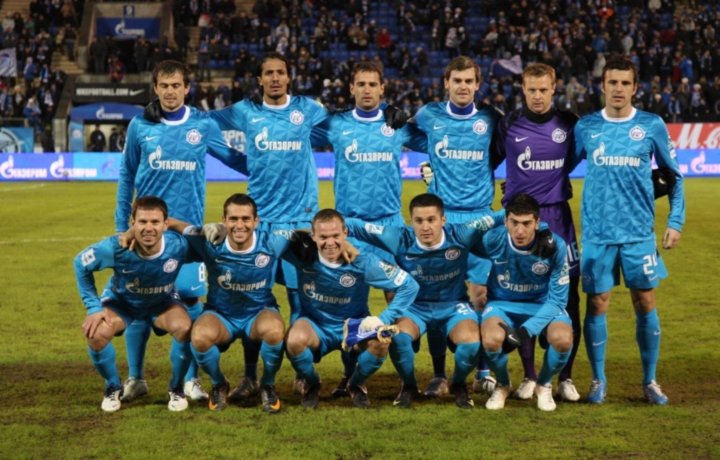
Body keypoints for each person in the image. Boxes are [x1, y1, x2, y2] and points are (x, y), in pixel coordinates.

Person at [115, 60, 247, 405]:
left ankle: (190, 380)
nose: (170, 92)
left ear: (187, 88)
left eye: (176, 85)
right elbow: (126, 176)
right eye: (164, 86)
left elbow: (233, 158)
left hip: (188, 236)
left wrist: (271, 166)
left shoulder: (202, 124)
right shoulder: (140, 125)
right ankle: (136, 378)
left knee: (188, 303)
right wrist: (121, 227)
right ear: (155, 89)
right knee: (138, 302)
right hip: (146, 232)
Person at [210, 52, 330, 400]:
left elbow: (343, 124)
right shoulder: (245, 112)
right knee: (251, 297)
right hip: (259, 222)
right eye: (269, 73)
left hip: (298, 222)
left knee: (299, 299)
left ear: (289, 77)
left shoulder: (308, 110)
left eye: (280, 72)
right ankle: (250, 377)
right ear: (259, 80)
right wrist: (239, 160)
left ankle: (302, 371)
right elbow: (204, 122)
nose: (275, 78)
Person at [572, 55, 685, 405]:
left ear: (635, 88)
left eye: (625, 83)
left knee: (645, 300)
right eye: (613, 82)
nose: (618, 89)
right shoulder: (587, 126)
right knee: (597, 303)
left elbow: (675, 176)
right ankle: (598, 380)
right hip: (598, 233)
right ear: (602, 86)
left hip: (638, 233)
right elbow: (558, 168)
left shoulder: (651, 125)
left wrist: (675, 221)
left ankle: (650, 381)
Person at [311, 61, 425, 396]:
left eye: (372, 84)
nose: (366, 90)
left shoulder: (395, 124)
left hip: (389, 226)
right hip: (349, 228)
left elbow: (437, 137)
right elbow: (297, 132)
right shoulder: (337, 124)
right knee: (350, 301)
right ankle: (351, 377)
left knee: (398, 299)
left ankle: (407, 381)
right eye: (360, 84)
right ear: (351, 88)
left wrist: (411, 118)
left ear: (382, 89)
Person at [345, 193, 507, 409]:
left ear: (443, 220)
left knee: (471, 344)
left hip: (453, 305)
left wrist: (540, 228)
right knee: (398, 338)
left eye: (431, 220)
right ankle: (410, 386)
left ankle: (458, 384)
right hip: (414, 307)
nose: (425, 227)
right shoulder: (399, 238)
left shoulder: (461, 233)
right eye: (419, 221)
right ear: (411, 221)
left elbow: (502, 216)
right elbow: (356, 226)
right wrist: (329, 235)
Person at [492, 62, 582, 403]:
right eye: (532, 90)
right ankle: (530, 375)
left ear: (554, 88)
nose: (538, 96)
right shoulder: (508, 124)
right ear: (523, 89)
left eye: (544, 89)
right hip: (519, 221)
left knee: (570, 298)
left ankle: (566, 377)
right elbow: (486, 162)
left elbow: (576, 158)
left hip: (558, 218)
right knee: (523, 296)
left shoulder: (569, 124)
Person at [411, 56, 501, 397]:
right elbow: (409, 135)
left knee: (481, 296)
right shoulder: (429, 115)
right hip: (442, 219)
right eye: (457, 80)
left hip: (479, 218)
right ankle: (438, 375)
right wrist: (429, 166)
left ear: (477, 85)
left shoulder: (491, 119)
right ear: (446, 83)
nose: (463, 86)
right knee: (437, 296)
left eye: (468, 81)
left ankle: (483, 370)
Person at [284, 209, 419, 408]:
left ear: (345, 233)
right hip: (316, 324)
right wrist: (299, 234)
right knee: (294, 341)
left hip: (354, 326)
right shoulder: (301, 253)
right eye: (323, 237)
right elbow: (268, 237)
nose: (330, 243)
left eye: (336, 236)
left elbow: (409, 285)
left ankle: (355, 384)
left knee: (382, 341)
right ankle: (313, 383)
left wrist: (383, 319)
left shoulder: (363, 261)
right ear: (313, 236)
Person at [167, 194, 289, 413]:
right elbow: (177, 225)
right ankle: (219, 384)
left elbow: (307, 235)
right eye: (233, 219)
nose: (239, 225)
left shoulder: (271, 241)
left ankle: (267, 385)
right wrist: (198, 227)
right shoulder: (210, 240)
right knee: (199, 337)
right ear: (224, 220)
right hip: (221, 314)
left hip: (259, 312)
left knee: (274, 331)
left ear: (256, 221)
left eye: (246, 219)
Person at [73, 197, 193, 412]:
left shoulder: (178, 245)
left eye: (155, 222)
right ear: (132, 223)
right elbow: (80, 263)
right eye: (143, 222)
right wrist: (93, 307)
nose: (149, 228)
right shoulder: (115, 247)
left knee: (184, 328)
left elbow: (209, 244)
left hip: (162, 303)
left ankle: (176, 388)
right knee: (96, 334)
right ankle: (112, 386)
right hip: (122, 303)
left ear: (166, 224)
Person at [478, 193, 573, 411]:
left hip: (543, 303)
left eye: (527, 223)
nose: (520, 231)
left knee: (562, 340)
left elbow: (558, 300)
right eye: (514, 222)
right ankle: (503, 384)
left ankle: (544, 384)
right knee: (491, 340)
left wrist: (523, 333)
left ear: (537, 223)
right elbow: (463, 241)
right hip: (502, 304)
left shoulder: (556, 246)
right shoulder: (492, 239)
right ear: (505, 221)